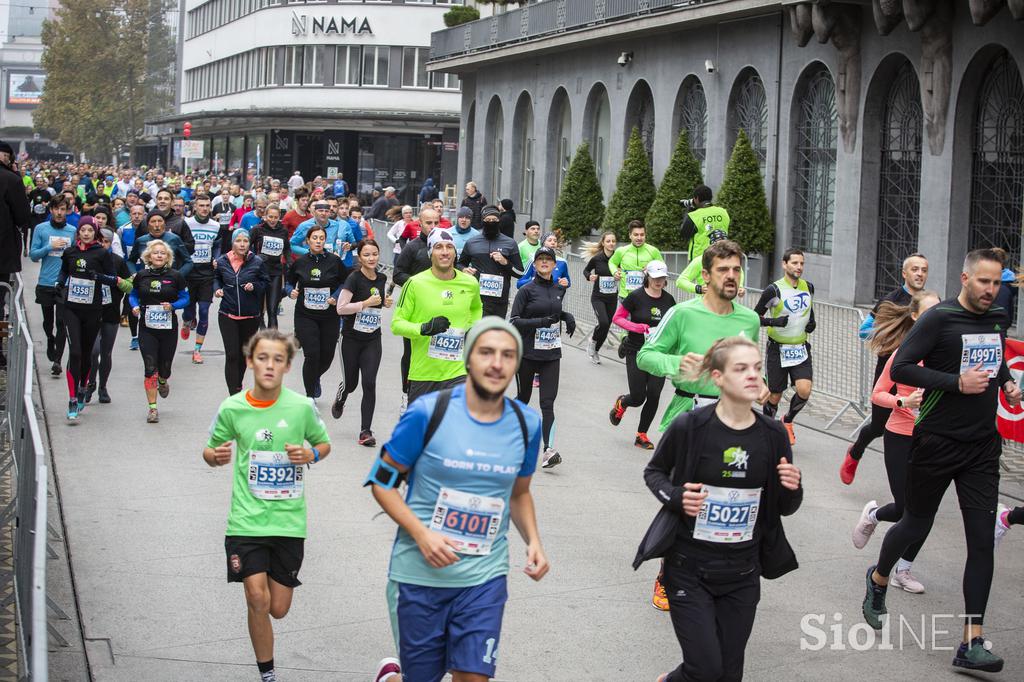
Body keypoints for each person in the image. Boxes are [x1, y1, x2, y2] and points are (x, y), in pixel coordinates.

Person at [861, 249, 1021, 673]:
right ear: (965, 278)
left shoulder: (998, 316)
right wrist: (955, 382)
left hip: (982, 446)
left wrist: (1006, 384)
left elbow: (997, 355)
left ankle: (971, 641)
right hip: (934, 441)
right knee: (914, 522)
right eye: (984, 282)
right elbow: (906, 368)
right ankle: (878, 578)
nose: (991, 290)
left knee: (981, 541)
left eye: (997, 283)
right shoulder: (938, 318)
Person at [365, 317, 548, 682]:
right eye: (486, 352)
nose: (497, 363)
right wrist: (422, 534)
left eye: (508, 355)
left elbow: (520, 492)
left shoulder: (527, 423)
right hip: (420, 574)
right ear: (467, 359)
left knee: (473, 677)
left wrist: (534, 541)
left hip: (485, 576)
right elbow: (381, 483)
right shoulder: (427, 413)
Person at [635, 336, 802, 682]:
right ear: (718, 378)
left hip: (743, 573)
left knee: (728, 673)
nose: (753, 375)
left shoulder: (772, 434)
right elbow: (654, 473)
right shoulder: (691, 427)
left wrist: (793, 487)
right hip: (688, 569)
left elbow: (785, 507)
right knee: (704, 670)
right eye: (741, 368)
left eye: (757, 367)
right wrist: (677, 496)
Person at [637, 240, 762, 611]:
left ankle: (720, 573)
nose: (731, 276)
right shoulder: (683, 315)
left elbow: (750, 369)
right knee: (685, 501)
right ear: (705, 276)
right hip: (688, 416)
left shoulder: (749, 320)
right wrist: (677, 364)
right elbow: (646, 354)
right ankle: (666, 574)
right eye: (723, 270)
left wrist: (758, 386)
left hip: (735, 421)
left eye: (736, 269)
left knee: (726, 501)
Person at [203, 328, 331, 682]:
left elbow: (323, 444)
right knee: (256, 597)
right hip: (245, 522)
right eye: (262, 358)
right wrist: (216, 457)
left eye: (278, 359)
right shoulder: (232, 408)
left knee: (278, 608)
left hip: (289, 523)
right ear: (250, 362)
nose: (269, 366)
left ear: (288, 366)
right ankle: (268, 673)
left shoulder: (302, 408)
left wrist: (310, 454)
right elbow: (209, 450)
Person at [851, 290, 941, 595]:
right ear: (915, 316)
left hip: (933, 438)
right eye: (929, 312)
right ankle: (873, 515)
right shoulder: (903, 352)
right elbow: (878, 394)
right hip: (900, 435)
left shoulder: (945, 353)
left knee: (926, 511)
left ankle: (904, 569)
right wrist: (903, 400)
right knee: (906, 508)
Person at [843, 253, 929, 483]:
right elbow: (864, 331)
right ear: (904, 273)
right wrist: (893, 335)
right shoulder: (891, 299)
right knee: (879, 426)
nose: (920, 274)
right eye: (915, 269)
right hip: (890, 373)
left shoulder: (928, 302)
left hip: (918, 376)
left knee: (919, 427)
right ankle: (855, 452)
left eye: (924, 270)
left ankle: (910, 479)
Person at [391, 229, 482, 405]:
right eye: (439, 247)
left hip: (458, 371)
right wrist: (424, 329)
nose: (445, 252)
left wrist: (472, 328)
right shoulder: (415, 283)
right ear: (430, 253)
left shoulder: (470, 283)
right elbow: (397, 324)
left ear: (456, 253)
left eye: (450, 247)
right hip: (424, 373)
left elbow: (477, 308)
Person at [509, 246, 575, 469]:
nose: (545, 262)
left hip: (551, 354)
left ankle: (548, 449)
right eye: (541, 260)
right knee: (524, 397)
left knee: (548, 402)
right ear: (535, 265)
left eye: (549, 259)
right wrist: (541, 322)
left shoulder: (558, 288)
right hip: (527, 353)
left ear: (555, 265)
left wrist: (567, 317)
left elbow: (553, 312)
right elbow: (515, 321)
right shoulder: (526, 290)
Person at [57, 217, 126, 420]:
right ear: (78, 232)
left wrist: (98, 277)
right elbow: (63, 272)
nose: (85, 233)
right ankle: (71, 398)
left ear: (95, 233)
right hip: (72, 309)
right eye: (82, 230)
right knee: (75, 352)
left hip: (93, 310)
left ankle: (83, 387)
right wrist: (59, 284)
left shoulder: (102, 254)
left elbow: (114, 279)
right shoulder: (70, 252)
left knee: (87, 354)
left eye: (89, 230)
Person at [609, 261, 676, 450]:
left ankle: (641, 435)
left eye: (662, 278)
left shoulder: (669, 300)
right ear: (648, 276)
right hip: (636, 349)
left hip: (658, 354)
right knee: (638, 397)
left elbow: (674, 324)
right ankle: (623, 402)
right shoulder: (635, 297)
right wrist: (636, 327)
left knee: (654, 394)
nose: (658, 281)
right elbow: (617, 317)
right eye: (655, 277)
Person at [331, 239, 392, 446]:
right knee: (351, 383)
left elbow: (377, 304)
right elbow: (341, 308)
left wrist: (384, 302)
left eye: (374, 254)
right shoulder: (353, 279)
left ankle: (365, 431)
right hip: (350, 338)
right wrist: (364, 304)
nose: (371, 258)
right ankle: (341, 396)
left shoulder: (382, 278)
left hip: (372, 339)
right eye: (366, 255)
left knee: (369, 383)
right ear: (360, 257)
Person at [754, 248, 816, 445]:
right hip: (778, 348)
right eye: (795, 263)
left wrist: (812, 322)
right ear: (784, 264)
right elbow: (755, 317)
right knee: (774, 395)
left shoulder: (809, 287)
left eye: (801, 263)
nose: (799, 267)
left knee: (804, 389)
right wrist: (774, 322)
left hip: (800, 348)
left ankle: (787, 421)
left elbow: (808, 309)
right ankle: (767, 428)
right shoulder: (774, 290)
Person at [129, 239, 190, 423]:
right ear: (149, 256)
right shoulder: (141, 275)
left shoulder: (176, 276)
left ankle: (163, 381)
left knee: (165, 368)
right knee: (149, 368)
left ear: (168, 257)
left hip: (168, 328)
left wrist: (173, 306)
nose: (159, 255)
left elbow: (185, 298)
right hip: (147, 328)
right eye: (155, 253)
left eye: (162, 253)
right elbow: (133, 295)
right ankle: (153, 409)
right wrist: (134, 306)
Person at [286, 224, 348, 399]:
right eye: (315, 238)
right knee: (312, 354)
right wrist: (290, 291)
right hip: (305, 315)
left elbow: (345, 283)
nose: (318, 241)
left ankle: (315, 378)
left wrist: (336, 295)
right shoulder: (300, 262)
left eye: (321, 238)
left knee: (327, 357)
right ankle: (309, 396)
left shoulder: (335, 262)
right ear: (307, 241)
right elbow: (288, 282)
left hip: (329, 316)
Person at [392, 208, 440, 413]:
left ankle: (433, 396)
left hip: (440, 307)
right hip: (415, 308)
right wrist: (418, 284)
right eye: (428, 223)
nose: (432, 227)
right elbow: (397, 274)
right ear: (419, 224)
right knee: (411, 353)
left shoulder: (444, 247)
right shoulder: (413, 247)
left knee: (438, 352)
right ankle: (407, 393)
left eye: (436, 222)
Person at [215, 229, 270, 395]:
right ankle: (233, 393)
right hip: (227, 314)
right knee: (232, 355)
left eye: (245, 241)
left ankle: (238, 384)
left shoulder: (257, 262)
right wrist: (217, 289)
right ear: (233, 243)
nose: (242, 244)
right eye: (238, 241)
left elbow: (266, 282)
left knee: (243, 355)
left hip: (250, 316)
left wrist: (255, 287)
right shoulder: (222, 261)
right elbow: (216, 278)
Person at [29, 195, 76, 376]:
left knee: (62, 322)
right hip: (46, 281)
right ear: (51, 210)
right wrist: (50, 247)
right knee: (49, 323)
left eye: (62, 209)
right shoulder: (41, 228)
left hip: (65, 283)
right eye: (56, 209)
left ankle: (57, 360)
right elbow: (33, 255)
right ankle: (50, 338)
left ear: (66, 211)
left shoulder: (72, 230)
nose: (59, 212)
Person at [86, 228, 132, 404]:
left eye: (106, 242)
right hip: (91, 311)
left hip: (110, 312)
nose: (103, 245)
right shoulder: (90, 259)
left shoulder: (118, 261)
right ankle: (90, 383)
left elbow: (129, 286)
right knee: (93, 351)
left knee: (106, 353)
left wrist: (118, 282)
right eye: (100, 241)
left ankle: (102, 387)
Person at [458, 205, 524, 319]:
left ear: (499, 221)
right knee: (476, 332)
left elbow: (520, 273)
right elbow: (459, 264)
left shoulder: (510, 243)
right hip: (476, 296)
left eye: (494, 220)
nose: (491, 222)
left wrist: (505, 262)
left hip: (499, 299)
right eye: (488, 220)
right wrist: (464, 269)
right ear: (483, 221)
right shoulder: (471, 242)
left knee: (495, 332)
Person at [181, 194, 221, 364]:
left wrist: (216, 258)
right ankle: (187, 320)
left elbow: (218, 245)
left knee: (204, 310)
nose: (204, 208)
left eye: (207, 205)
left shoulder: (216, 225)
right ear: (195, 207)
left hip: (206, 273)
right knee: (189, 310)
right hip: (190, 272)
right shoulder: (186, 223)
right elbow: (179, 244)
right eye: (201, 205)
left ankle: (197, 350)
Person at [249, 204, 290, 329]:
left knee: (272, 310)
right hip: (259, 273)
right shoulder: (257, 229)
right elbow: (246, 247)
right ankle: (261, 335)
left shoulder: (283, 230)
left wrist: (289, 263)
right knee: (259, 310)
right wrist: (255, 258)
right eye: (270, 217)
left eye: (275, 217)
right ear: (265, 216)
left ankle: (273, 342)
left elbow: (287, 249)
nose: (272, 220)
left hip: (276, 272)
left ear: (279, 217)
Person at [582, 231, 619, 365]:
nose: (611, 244)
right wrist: (589, 276)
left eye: (613, 241)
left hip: (612, 298)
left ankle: (595, 351)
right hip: (598, 297)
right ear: (603, 243)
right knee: (603, 322)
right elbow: (586, 270)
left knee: (607, 325)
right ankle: (592, 342)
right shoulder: (597, 259)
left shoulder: (619, 258)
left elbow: (626, 270)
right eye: (608, 241)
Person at [609, 221, 662, 300]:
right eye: (636, 235)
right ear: (630, 235)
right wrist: (614, 272)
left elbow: (662, 267)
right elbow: (612, 262)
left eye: (642, 235)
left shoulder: (653, 251)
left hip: (647, 296)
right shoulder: (621, 251)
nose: (639, 238)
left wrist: (652, 266)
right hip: (626, 296)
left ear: (645, 235)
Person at [679, 184, 729, 264]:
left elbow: (684, 234)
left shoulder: (694, 216)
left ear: (697, 198)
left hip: (700, 260)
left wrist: (689, 209)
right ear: (711, 197)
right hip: (722, 256)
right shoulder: (723, 212)